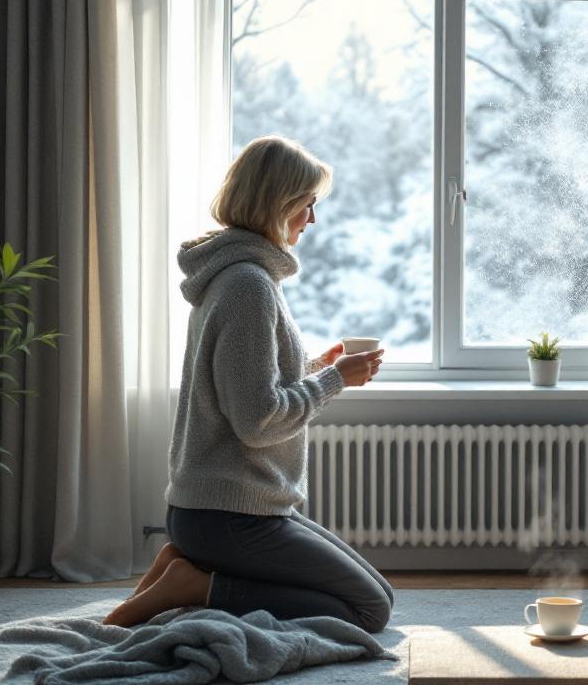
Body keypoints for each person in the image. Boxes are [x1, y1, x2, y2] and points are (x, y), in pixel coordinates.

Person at [103, 135, 393, 629]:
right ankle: (196, 584)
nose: (312, 219)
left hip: (220, 510)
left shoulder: (236, 275)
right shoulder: (248, 286)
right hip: (230, 517)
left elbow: (242, 380)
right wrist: (332, 382)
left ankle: (177, 564)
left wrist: (313, 366)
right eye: (307, 204)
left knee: (378, 592)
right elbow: (257, 422)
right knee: (369, 610)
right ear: (278, 204)